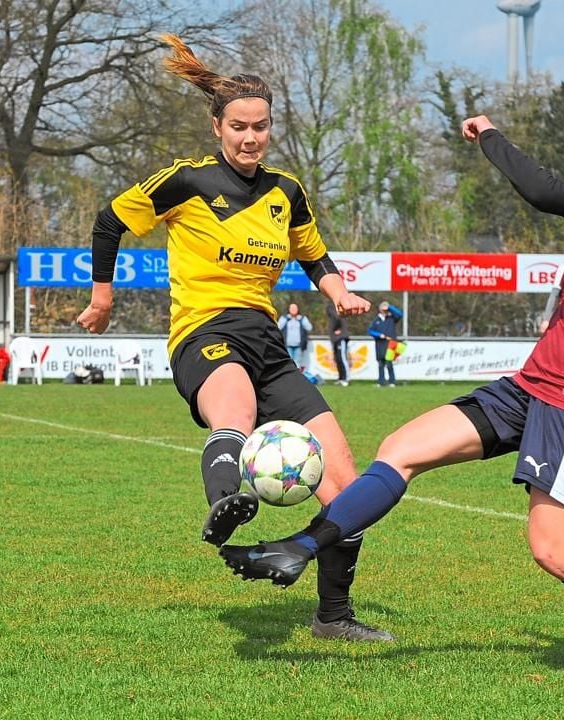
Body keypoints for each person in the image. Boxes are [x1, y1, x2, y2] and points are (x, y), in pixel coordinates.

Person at [219, 97, 564, 681]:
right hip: (536, 380)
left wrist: (489, 134)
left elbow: (544, 193)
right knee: (403, 447)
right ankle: (299, 548)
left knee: (553, 548)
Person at [76, 34, 393, 642]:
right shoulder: (187, 182)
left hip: (267, 343)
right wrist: (102, 295)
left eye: (262, 127)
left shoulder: (286, 192)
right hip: (203, 332)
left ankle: (333, 617)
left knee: (348, 487)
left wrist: (338, 292)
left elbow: (314, 254)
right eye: (240, 126)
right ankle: (226, 502)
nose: (251, 138)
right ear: (216, 125)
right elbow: (110, 218)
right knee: (237, 412)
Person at [368, 301, 402, 387]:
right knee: (380, 364)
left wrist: (389, 307)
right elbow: (370, 331)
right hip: (380, 344)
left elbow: (400, 314)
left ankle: (392, 382)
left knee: (389, 363)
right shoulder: (376, 321)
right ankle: (381, 382)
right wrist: (379, 335)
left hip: (390, 344)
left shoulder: (391, 318)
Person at [277, 302, 312, 369]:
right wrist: (286, 319)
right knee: (288, 362)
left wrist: (302, 320)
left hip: (299, 345)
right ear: (289, 309)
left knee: (297, 362)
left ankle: (296, 377)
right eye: (291, 308)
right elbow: (278, 327)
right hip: (287, 345)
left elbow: (309, 328)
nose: (293, 309)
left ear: (298, 309)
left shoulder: (303, 318)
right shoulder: (284, 318)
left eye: (295, 308)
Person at [325, 300, 350, 386]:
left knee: (342, 358)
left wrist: (337, 329)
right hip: (335, 339)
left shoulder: (333, 306)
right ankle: (341, 378)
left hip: (341, 338)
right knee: (338, 359)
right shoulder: (332, 305)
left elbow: (337, 317)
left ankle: (346, 378)